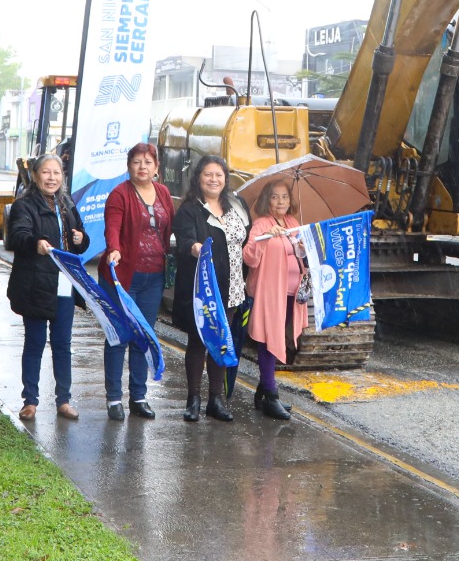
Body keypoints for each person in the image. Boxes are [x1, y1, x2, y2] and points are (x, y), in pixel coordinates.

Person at [6, 154, 88, 421]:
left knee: (63, 344)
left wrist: (81, 238)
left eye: (57, 173)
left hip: (64, 283)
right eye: (46, 172)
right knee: (35, 343)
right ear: (36, 175)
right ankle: (30, 401)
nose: (52, 178)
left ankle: (63, 400)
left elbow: (82, 241)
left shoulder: (67, 203)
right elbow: (18, 236)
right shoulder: (24, 204)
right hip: (35, 283)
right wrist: (35, 243)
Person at [171, 156, 250, 423]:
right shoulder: (190, 209)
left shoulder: (238, 205)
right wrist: (194, 247)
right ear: (198, 178)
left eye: (218, 174)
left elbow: (245, 240)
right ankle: (193, 399)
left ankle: (215, 400)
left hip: (232, 287)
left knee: (221, 341)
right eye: (208, 175)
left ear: (225, 178)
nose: (213, 179)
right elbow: (184, 240)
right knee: (198, 342)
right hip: (203, 288)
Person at [98, 142, 172, 421]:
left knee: (143, 335)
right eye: (137, 162)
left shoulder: (163, 192)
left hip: (154, 277)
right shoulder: (119, 194)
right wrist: (114, 248)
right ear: (128, 166)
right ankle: (113, 398)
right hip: (121, 276)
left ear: (156, 167)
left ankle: (138, 397)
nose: (143, 167)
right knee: (118, 336)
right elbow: (112, 226)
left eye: (148, 162)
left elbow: (168, 229)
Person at [240, 180, 306, 420]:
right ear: (267, 200)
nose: (281, 202)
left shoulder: (293, 223)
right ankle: (271, 394)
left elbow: (300, 256)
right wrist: (266, 237)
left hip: (290, 294)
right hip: (269, 294)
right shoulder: (261, 224)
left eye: (285, 197)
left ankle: (262, 393)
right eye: (276, 197)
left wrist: (302, 246)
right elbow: (249, 258)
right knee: (268, 341)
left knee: (277, 338)